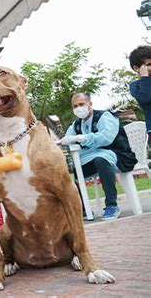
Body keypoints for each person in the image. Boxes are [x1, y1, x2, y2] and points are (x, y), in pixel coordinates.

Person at [59, 93, 137, 221]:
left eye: (81, 104)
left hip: (117, 153)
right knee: (72, 169)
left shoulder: (105, 116)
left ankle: (112, 205)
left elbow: (106, 138)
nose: (78, 108)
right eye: (75, 106)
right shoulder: (76, 125)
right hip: (91, 157)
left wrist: (81, 138)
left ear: (90, 104)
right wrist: (63, 141)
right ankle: (83, 209)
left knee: (101, 160)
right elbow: (68, 138)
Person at [129, 45, 151, 142]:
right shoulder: (135, 86)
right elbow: (145, 98)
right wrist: (145, 78)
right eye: (149, 64)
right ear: (137, 68)